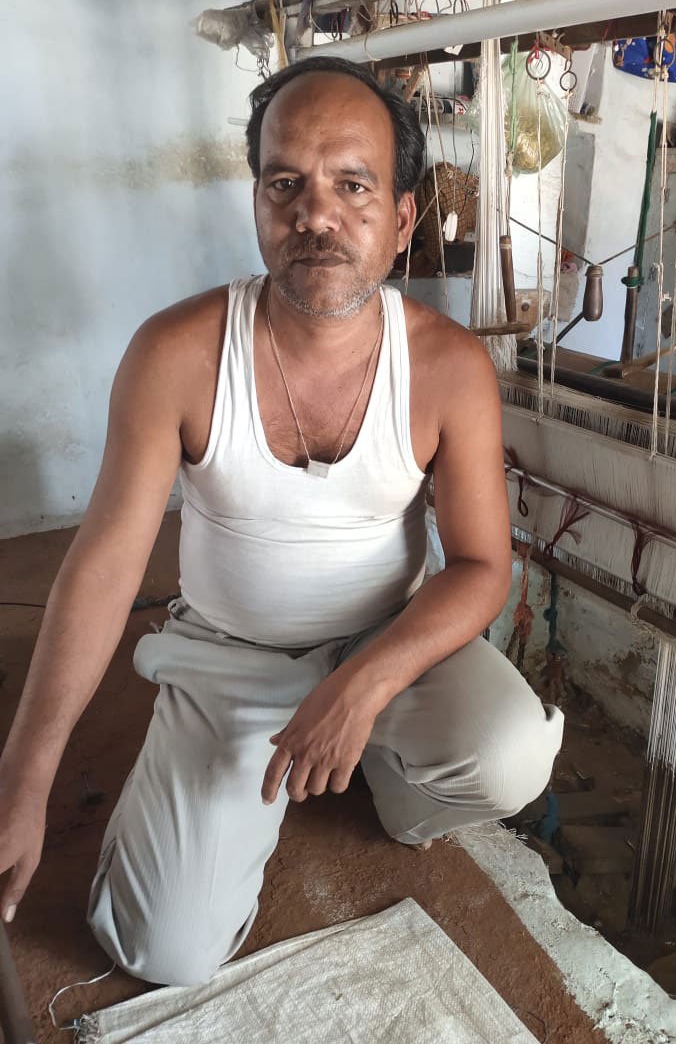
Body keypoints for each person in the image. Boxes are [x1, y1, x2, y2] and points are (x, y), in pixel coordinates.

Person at [0, 56, 563, 985]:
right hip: (230, 654)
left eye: (353, 185)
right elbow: (102, 570)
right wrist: (25, 777)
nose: (317, 216)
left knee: (509, 756)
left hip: (385, 643)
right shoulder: (176, 353)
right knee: (162, 950)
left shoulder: (448, 367)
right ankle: (224, 782)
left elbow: (479, 566)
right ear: (258, 204)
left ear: (402, 218)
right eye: (285, 185)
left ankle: (387, 781)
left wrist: (364, 685)